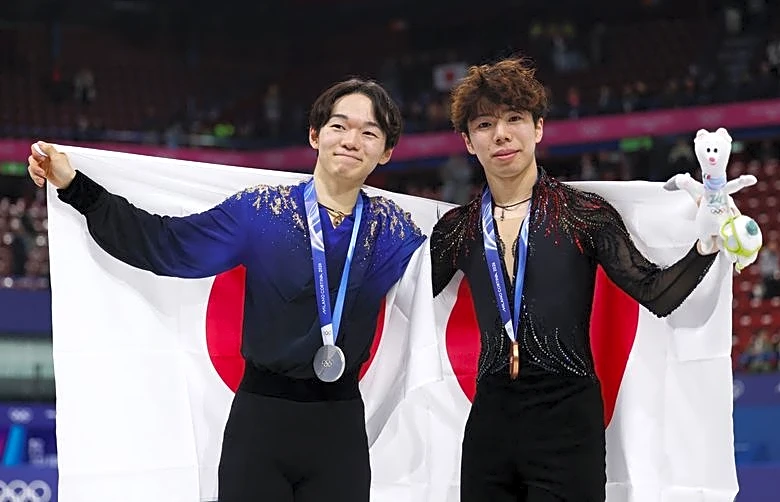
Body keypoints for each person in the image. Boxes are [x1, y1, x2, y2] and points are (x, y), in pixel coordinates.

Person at [28, 78, 426, 502]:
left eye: (369, 132)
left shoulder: (395, 231)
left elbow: (454, 273)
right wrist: (77, 188)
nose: (351, 140)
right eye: (339, 126)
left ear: (385, 151)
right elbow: (167, 245)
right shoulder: (260, 212)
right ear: (315, 135)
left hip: (340, 431)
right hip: (260, 427)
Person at [429, 58, 722, 502]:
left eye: (514, 119)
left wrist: (707, 245)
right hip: (490, 420)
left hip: (567, 421)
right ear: (469, 142)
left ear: (539, 128)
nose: (501, 134)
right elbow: (405, 298)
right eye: (485, 124)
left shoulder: (582, 214)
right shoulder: (459, 228)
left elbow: (655, 293)